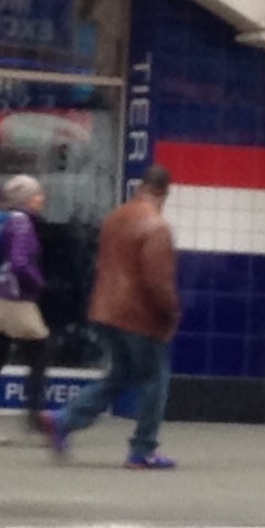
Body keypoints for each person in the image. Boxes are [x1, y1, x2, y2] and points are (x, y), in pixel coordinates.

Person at [39, 164, 179, 468]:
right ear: (165, 192)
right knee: (155, 379)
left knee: (120, 374)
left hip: (105, 310)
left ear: (142, 186)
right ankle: (142, 450)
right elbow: (157, 281)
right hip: (140, 316)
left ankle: (64, 419)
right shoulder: (157, 228)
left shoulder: (115, 218)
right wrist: (170, 313)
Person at [0, 174, 51, 443]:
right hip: (16, 301)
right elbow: (19, 263)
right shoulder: (21, 225)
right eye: (37, 194)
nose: (42, 198)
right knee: (40, 353)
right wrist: (39, 283)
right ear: (26, 199)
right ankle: (35, 418)